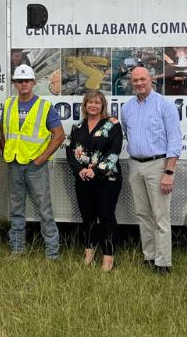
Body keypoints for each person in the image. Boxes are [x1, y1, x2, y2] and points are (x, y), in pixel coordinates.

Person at [120, 66, 181, 274]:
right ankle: (150, 256)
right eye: (135, 80)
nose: (139, 83)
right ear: (131, 82)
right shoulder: (127, 108)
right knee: (142, 214)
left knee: (160, 216)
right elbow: (128, 135)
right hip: (135, 164)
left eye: (142, 79)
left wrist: (169, 172)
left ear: (150, 80)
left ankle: (163, 263)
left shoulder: (164, 105)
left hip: (158, 165)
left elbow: (174, 141)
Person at [1, 64, 65, 259]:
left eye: (26, 81)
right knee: (16, 209)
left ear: (34, 83)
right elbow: (3, 130)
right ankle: (17, 249)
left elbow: (59, 135)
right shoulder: (8, 104)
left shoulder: (45, 107)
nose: (23, 85)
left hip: (35, 166)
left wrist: (41, 159)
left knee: (44, 209)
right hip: (14, 163)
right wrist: (6, 150)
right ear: (15, 84)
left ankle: (52, 253)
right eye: (19, 81)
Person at [65, 90, 123, 271]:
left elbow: (114, 152)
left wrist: (95, 171)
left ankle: (108, 258)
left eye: (97, 102)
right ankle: (88, 254)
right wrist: (80, 170)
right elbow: (69, 150)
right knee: (87, 218)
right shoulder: (77, 126)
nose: (93, 105)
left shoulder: (112, 124)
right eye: (90, 102)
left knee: (106, 217)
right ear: (85, 105)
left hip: (107, 179)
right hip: (83, 179)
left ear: (103, 105)